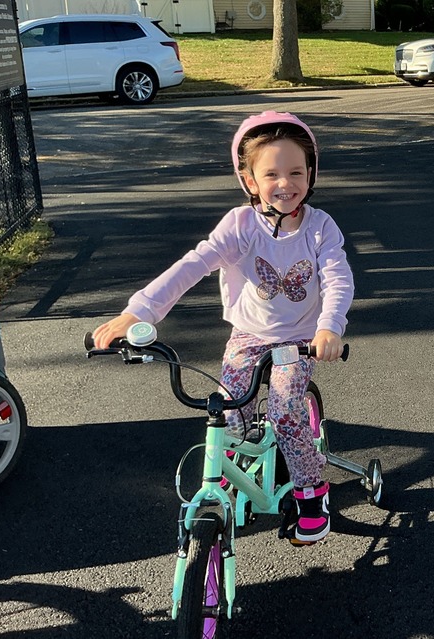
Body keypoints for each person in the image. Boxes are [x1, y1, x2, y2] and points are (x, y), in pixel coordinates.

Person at [92, 111, 353, 543]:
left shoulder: (320, 227)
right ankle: (230, 474)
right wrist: (138, 312)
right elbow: (193, 265)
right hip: (248, 335)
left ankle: (312, 490)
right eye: (271, 173)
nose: (285, 184)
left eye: (296, 172)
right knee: (227, 411)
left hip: (299, 339)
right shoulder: (240, 226)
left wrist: (330, 327)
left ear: (311, 174)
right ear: (250, 180)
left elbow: (338, 278)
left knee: (285, 410)